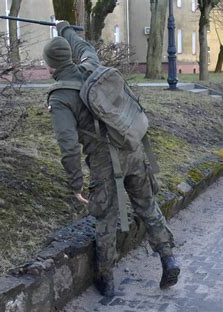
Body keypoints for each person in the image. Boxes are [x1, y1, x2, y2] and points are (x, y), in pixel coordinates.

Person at [43, 21, 180, 297]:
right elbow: (84, 46)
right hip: (132, 147)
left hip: (105, 163)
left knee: (106, 218)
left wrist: (75, 184)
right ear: (69, 56)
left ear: (50, 66)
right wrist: (66, 29)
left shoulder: (60, 97)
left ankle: (106, 280)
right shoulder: (91, 65)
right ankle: (168, 258)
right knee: (147, 205)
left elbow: (68, 146)